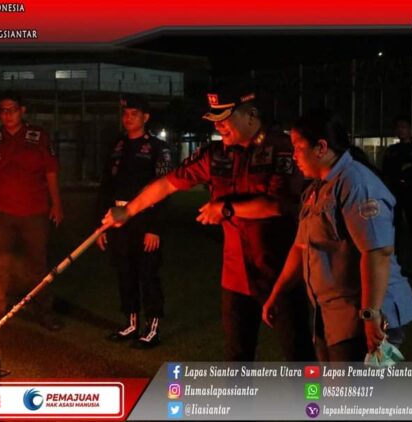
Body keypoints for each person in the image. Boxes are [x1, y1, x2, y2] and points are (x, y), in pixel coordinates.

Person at [103, 88, 314, 362]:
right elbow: (168, 183)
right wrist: (128, 211)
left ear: (251, 116)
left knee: (299, 356)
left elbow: (279, 205)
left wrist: (225, 208)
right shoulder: (216, 154)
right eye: (215, 119)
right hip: (236, 276)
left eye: (226, 118)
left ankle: (311, 406)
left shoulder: (283, 148)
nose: (218, 125)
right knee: (236, 357)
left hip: (281, 274)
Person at [262, 109, 412, 362]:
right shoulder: (318, 188)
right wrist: (277, 293)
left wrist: (371, 315)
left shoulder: (356, 184)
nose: (294, 156)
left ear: (321, 147)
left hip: (363, 318)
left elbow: (377, 252)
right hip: (334, 316)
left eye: (298, 147)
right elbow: (302, 247)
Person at [0, 91, 64, 331]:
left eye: (12, 109)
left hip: (34, 212)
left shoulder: (39, 137)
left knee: (37, 264)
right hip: (0, 212)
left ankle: (43, 310)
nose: (7, 114)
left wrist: (57, 204)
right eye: (3, 110)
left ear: (22, 111)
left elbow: (51, 172)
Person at [96, 95, 173, 349]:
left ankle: (152, 329)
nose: (128, 118)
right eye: (126, 114)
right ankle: (130, 323)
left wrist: (155, 227)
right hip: (118, 220)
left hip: (145, 219)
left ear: (146, 117)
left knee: (148, 275)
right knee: (124, 273)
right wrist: (102, 225)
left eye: (134, 114)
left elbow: (164, 190)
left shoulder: (158, 148)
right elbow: (106, 187)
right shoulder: (117, 145)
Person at [382, 115, 412, 282]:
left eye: (403, 127)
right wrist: (401, 169)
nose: (400, 130)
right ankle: (396, 267)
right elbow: (388, 169)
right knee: (395, 233)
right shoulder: (392, 150)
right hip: (396, 194)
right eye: (398, 127)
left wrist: (399, 170)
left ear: (410, 129)